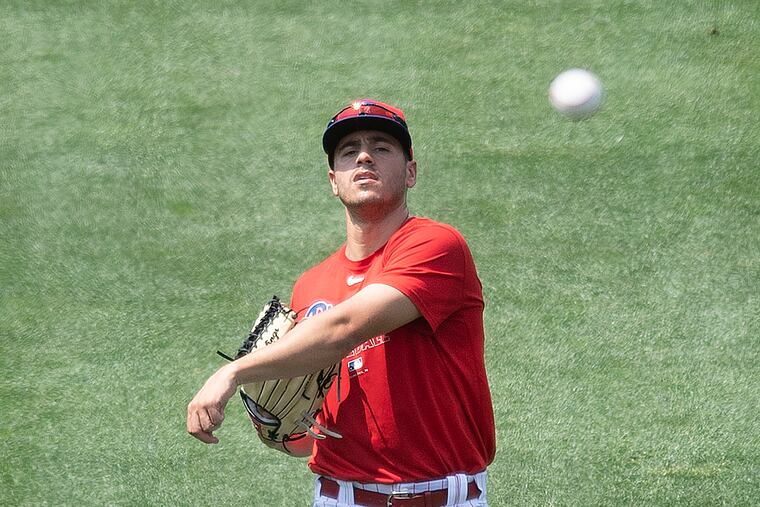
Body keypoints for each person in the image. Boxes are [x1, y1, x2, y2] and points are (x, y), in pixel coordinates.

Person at [187, 99, 496, 506]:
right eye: (349, 151)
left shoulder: (435, 246)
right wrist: (276, 424)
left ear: (411, 171)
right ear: (334, 180)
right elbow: (305, 435)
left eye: (382, 147)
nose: (364, 155)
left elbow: (343, 329)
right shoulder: (311, 285)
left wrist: (232, 373)